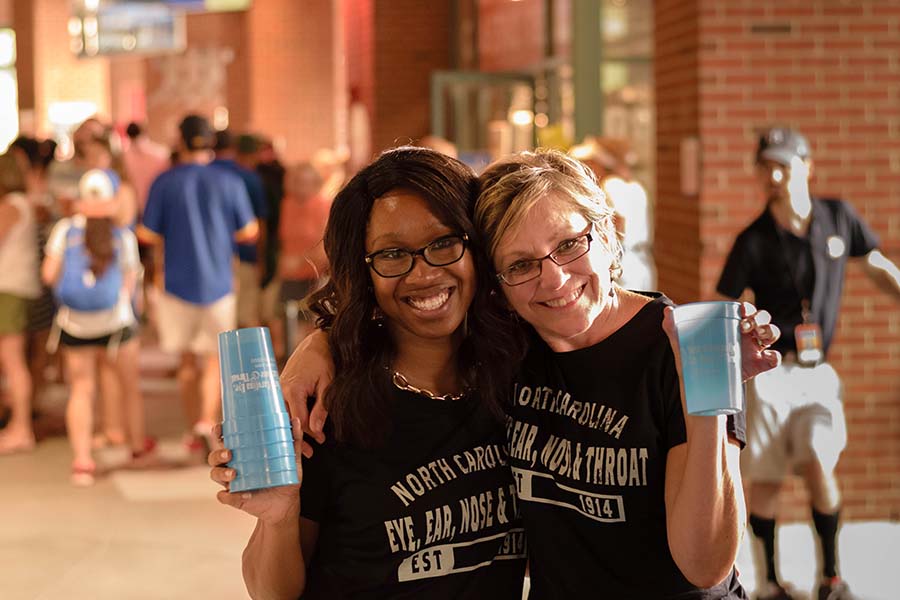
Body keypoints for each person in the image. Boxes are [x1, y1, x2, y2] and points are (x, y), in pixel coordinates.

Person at [277, 148, 781, 598]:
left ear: (606, 234)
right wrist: (317, 349)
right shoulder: (515, 345)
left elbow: (704, 565)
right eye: (520, 264)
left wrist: (710, 395)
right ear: (497, 282)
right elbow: (400, 305)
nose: (554, 279)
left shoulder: (681, 345)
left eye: (568, 244)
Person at [209, 147, 528, 598]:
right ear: (364, 273)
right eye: (393, 254)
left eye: (443, 243)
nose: (424, 274)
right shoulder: (327, 408)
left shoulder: (519, 382)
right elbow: (272, 592)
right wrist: (277, 519)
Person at [717, 127, 900, 600]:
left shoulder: (838, 218)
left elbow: (876, 264)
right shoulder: (753, 240)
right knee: (767, 479)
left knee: (821, 462)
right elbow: (723, 303)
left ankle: (832, 579)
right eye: (765, 167)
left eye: (782, 164)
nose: (773, 175)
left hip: (820, 375)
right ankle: (772, 584)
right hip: (771, 375)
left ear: (806, 165)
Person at [138, 114, 258, 454]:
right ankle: (208, 421)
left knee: (186, 361)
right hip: (220, 281)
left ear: (180, 140)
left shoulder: (165, 182)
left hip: (176, 282)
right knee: (214, 359)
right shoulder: (229, 181)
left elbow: (147, 233)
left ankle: (193, 428)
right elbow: (249, 231)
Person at [41, 169, 148, 485]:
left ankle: (83, 462)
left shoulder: (64, 231)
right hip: (116, 323)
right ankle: (137, 449)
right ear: (113, 201)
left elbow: (48, 275)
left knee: (82, 390)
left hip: (75, 323)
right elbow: (130, 286)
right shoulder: (123, 237)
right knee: (129, 387)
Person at [569, 136, 656, 290]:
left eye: (589, 162)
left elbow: (618, 225)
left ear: (600, 163)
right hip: (640, 264)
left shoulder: (610, 186)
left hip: (623, 267)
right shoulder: (636, 187)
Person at [0, 152, 42, 453]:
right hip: (21, 287)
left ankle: (21, 427)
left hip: (9, 288)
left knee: (12, 360)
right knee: (15, 360)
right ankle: (19, 423)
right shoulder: (26, 203)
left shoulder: (11, 205)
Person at [212, 129, 268, 328]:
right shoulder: (249, 178)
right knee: (247, 317)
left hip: (212, 260)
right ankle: (249, 360)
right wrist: (261, 258)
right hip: (244, 254)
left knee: (220, 325)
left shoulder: (204, 175)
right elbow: (259, 223)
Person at [277, 161, 330, 353]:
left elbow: (326, 246)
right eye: (296, 181)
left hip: (315, 277)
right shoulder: (287, 205)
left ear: (315, 183)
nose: (300, 187)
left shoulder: (324, 206)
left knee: (314, 330)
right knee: (290, 331)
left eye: (305, 182)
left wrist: (298, 261)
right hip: (290, 277)